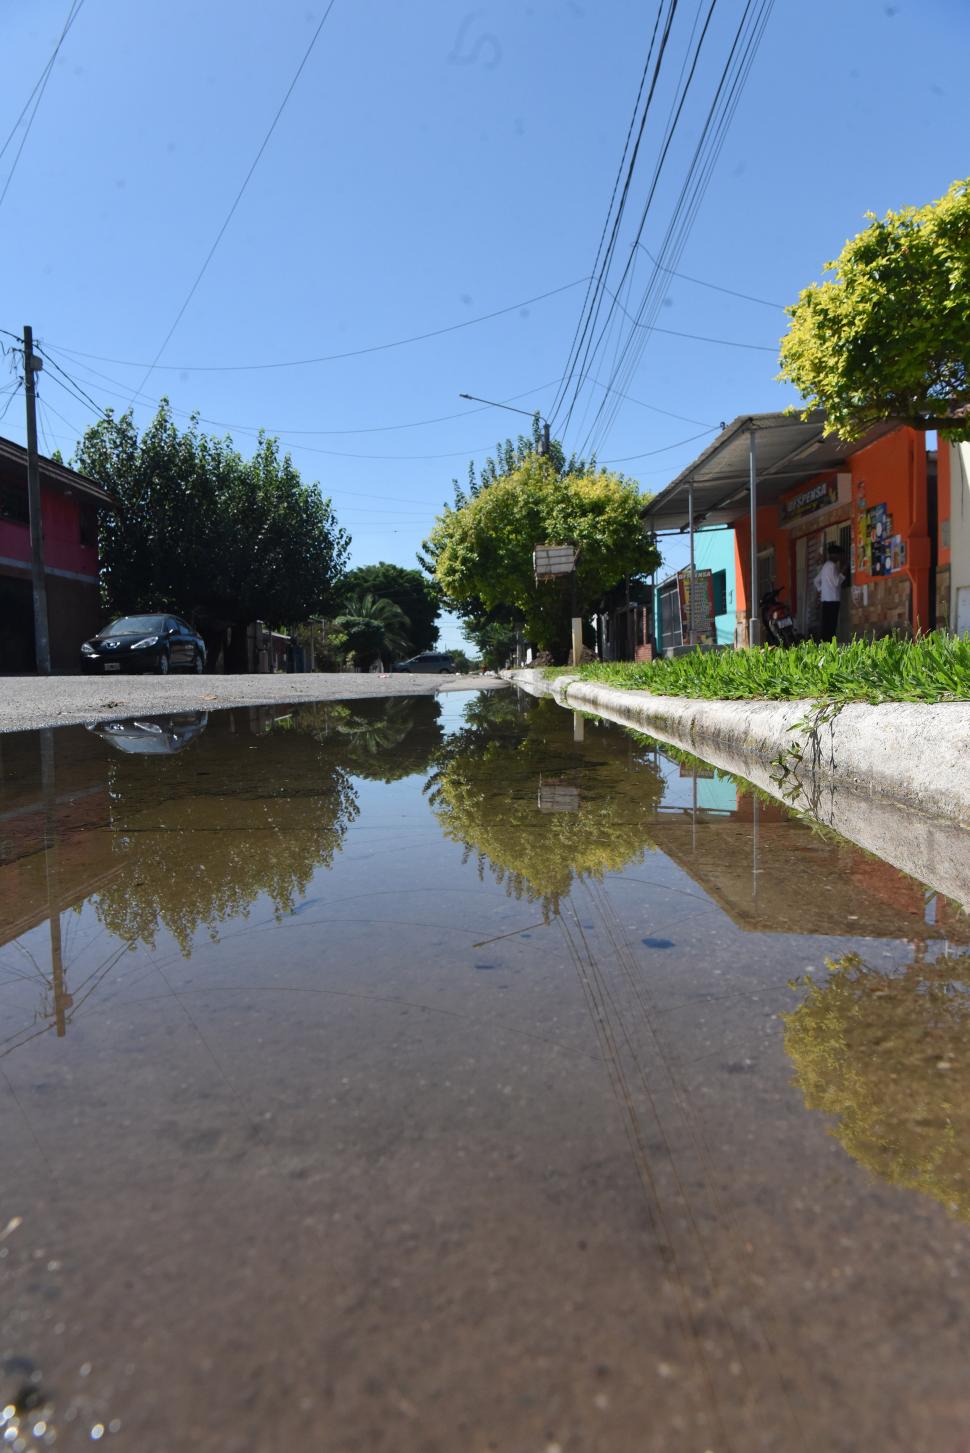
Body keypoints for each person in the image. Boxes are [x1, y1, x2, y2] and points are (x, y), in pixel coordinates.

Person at [814, 544, 845, 640]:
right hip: (833, 600)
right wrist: (843, 572)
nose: (840, 557)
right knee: (831, 624)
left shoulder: (825, 566)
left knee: (826, 624)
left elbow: (816, 580)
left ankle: (825, 643)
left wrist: (821, 590)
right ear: (835, 555)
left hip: (825, 599)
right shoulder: (832, 566)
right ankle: (830, 644)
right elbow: (836, 582)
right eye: (839, 555)